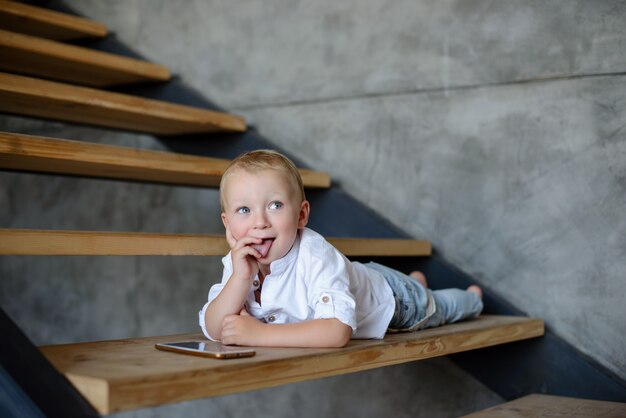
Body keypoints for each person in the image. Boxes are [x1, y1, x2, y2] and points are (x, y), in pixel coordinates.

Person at [199, 150, 483, 348]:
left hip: (394, 302)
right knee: (400, 284)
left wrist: (260, 335)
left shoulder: (315, 253)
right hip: (358, 279)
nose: (259, 222)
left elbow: (336, 331)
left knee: (439, 307)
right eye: (244, 209)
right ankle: (415, 281)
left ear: (301, 215)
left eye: (275, 205)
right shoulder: (239, 263)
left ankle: (471, 299)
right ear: (227, 224)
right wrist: (240, 279)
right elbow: (214, 327)